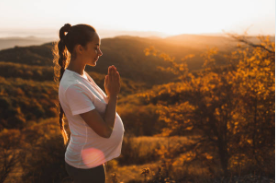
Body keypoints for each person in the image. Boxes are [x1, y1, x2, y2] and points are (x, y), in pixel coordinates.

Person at [53, 23, 125, 183]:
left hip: (91, 159)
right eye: (96, 47)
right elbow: (105, 131)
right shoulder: (73, 86)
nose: (100, 52)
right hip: (84, 166)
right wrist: (113, 96)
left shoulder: (81, 75)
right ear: (80, 49)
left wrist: (109, 95)